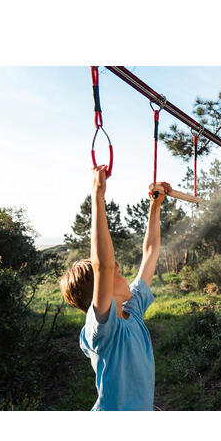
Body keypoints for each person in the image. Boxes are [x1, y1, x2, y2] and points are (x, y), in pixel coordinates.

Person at [60, 164, 171, 410]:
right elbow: (103, 266)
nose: (122, 274)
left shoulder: (133, 311)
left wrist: (155, 205)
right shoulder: (103, 329)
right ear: (101, 290)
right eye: (117, 273)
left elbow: (151, 252)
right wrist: (97, 194)